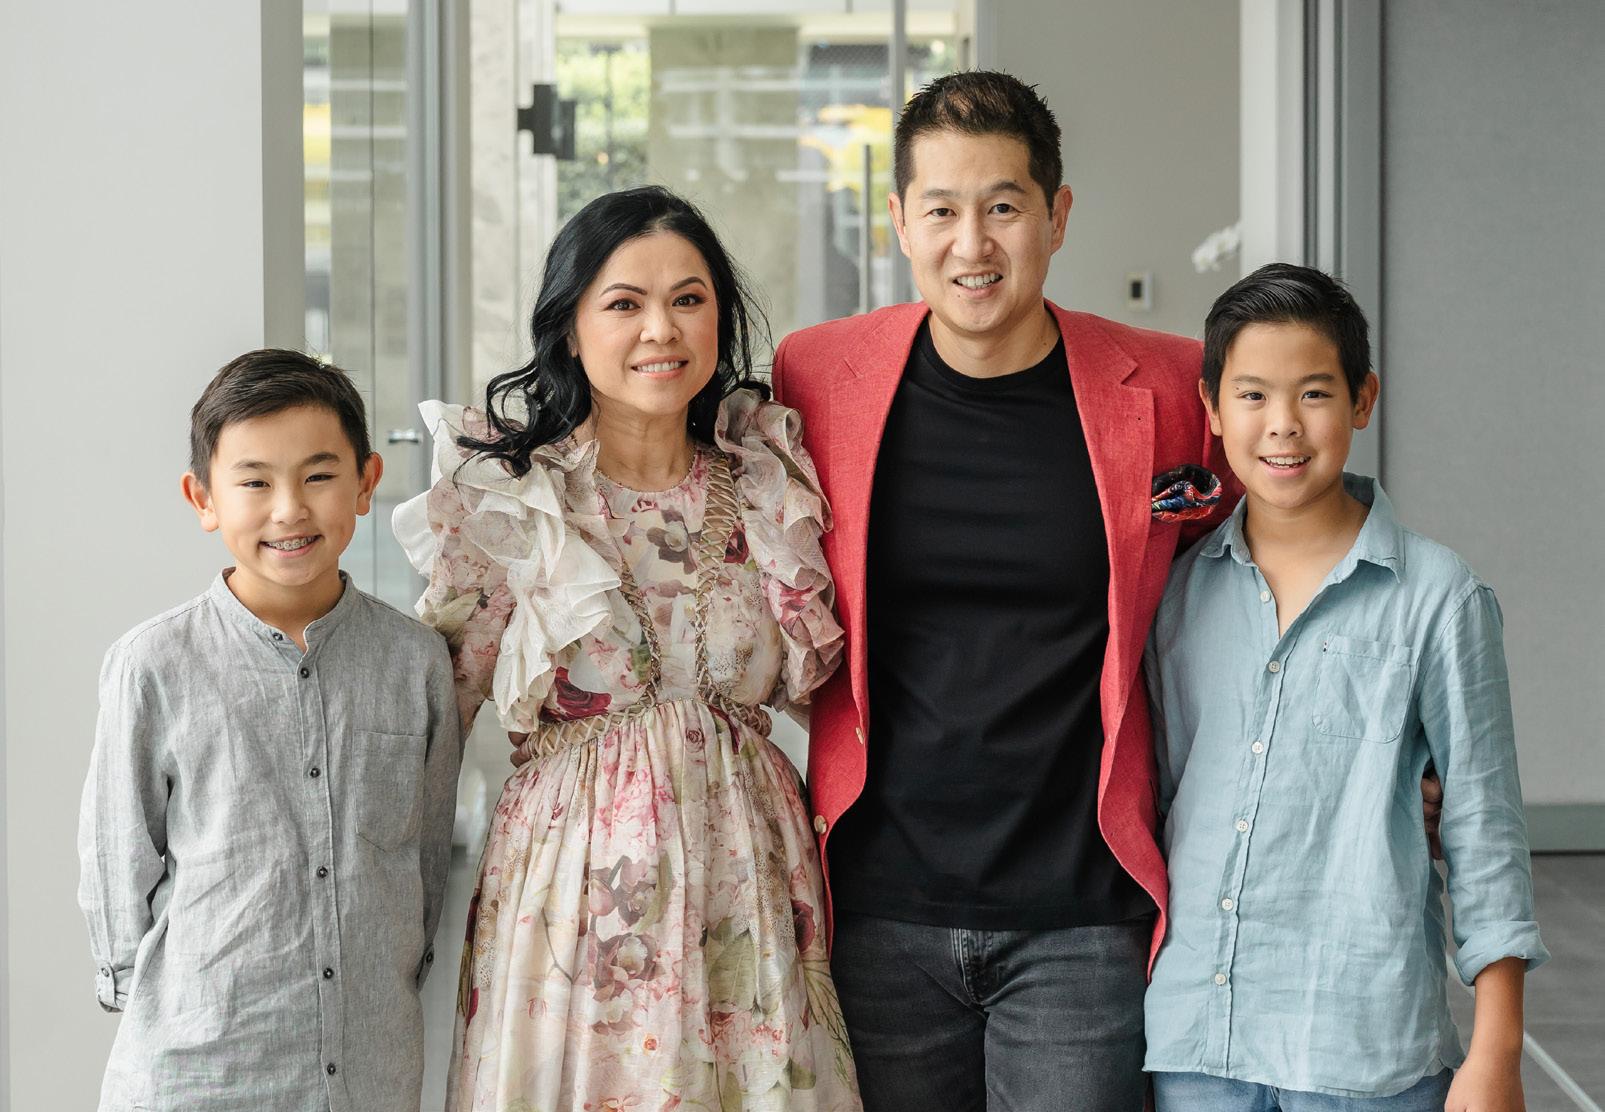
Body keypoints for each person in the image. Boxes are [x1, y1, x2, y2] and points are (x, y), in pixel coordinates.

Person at [768, 70, 1237, 1111]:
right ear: (899, 221)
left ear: (1057, 216)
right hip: (880, 902)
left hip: (1083, 909)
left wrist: (1384, 737)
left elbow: (1284, 554)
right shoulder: (817, 375)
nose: (971, 243)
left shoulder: (1169, 386)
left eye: (1004, 208)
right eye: (940, 210)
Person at [394, 186, 862, 1110]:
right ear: (569, 328)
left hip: (747, 885)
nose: (661, 329)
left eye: (688, 299)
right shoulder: (515, 500)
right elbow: (428, 717)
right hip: (572, 900)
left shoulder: (770, 485)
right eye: (624, 303)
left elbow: (838, 697)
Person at [1143, 263, 1548, 1111]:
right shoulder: (1177, 593)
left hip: (1363, 1046)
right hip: (1197, 1043)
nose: (1282, 425)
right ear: (1211, 408)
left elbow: (1483, 828)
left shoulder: (1439, 597)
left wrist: (1497, 1051)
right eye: (1252, 396)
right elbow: (1163, 795)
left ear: (1362, 400)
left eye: (1314, 394)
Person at [77, 350, 462, 1111]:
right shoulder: (153, 663)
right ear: (203, 497)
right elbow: (118, 856)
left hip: (370, 1066)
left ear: (366, 483)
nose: (289, 510)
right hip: (201, 1062)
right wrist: (148, 987)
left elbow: (425, 858)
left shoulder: (416, 662)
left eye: (318, 476)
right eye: (254, 482)